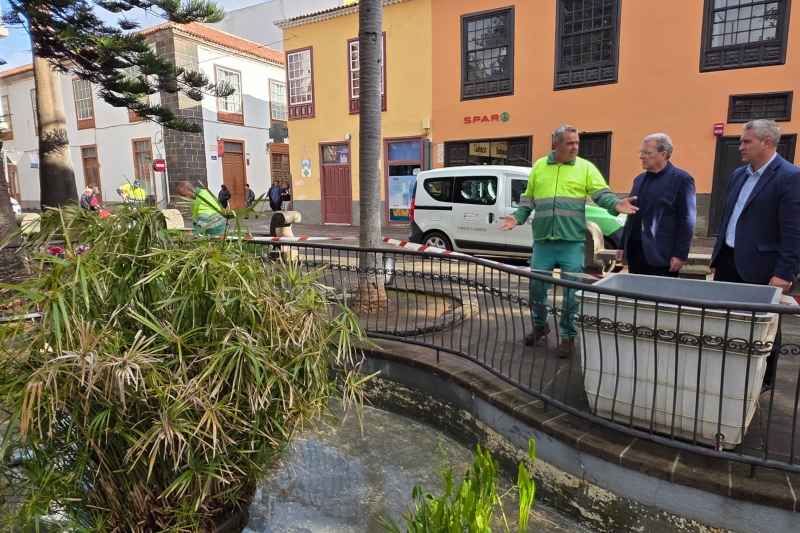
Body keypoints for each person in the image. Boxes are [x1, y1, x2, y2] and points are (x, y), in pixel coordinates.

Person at [499, 125, 638, 358]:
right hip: (543, 241)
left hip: (572, 242)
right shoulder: (539, 167)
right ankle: (540, 326)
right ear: (556, 144)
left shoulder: (585, 168)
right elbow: (528, 200)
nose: (575, 147)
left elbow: (601, 193)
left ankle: (567, 337)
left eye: (576, 143)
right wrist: (516, 217)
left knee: (571, 293)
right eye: (570, 143)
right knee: (536, 288)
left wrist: (615, 204)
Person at [709, 119, 800, 394]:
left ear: (767, 142)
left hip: (763, 267)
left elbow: (794, 231)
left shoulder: (790, 177)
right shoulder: (739, 174)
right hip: (728, 259)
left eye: (746, 141)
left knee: (764, 324)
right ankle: (730, 369)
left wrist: (785, 272)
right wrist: (717, 257)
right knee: (726, 318)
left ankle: (763, 379)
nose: (740, 146)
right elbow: (728, 217)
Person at [615, 134, 696, 277]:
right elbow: (631, 214)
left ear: (663, 154)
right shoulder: (638, 180)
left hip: (662, 255)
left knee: (660, 297)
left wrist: (680, 254)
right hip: (636, 252)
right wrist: (622, 245)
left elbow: (687, 220)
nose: (641, 157)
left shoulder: (681, 180)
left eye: (646, 153)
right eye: (641, 153)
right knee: (636, 297)